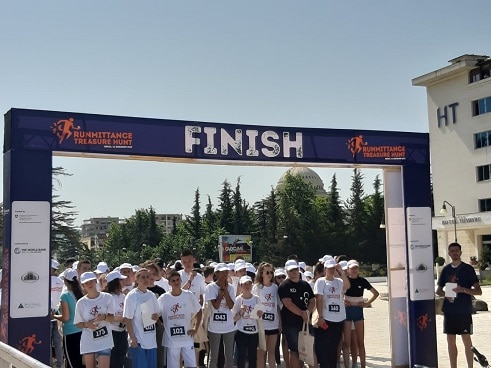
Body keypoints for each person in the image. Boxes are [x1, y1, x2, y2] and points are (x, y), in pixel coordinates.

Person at [436, 242, 482, 368]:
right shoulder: (446, 270)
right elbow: (438, 291)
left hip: (464, 310)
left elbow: (478, 291)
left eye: (457, 250)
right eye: (452, 251)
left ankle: (470, 366)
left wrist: (463, 290)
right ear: (449, 253)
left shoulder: (468, 269)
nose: (455, 253)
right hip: (449, 310)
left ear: (460, 252)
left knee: (466, 339)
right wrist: (446, 294)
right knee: (450, 340)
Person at [158, 270, 202, 368]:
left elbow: (199, 311)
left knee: (191, 365)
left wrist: (195, 328)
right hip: (171, 340)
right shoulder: (163, 298)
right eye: (173, 281)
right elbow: (155, 314)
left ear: (181, 280)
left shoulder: (188, 295)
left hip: (186, 337)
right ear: (169, 283)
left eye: (178, 280)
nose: (176, 282)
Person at [313, 258, 350, 368]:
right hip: (326, 318)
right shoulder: (321, 282)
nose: (331, 271)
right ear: (325, 269)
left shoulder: (339, 281)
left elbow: (347, 286)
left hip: (338, 318)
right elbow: (318, 299)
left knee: (334, 346)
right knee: (325, 346)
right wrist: (320, 316)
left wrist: (341, 272)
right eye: (329, 269)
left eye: (333, 268)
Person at [278, 260, 315, 368]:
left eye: (296, 269)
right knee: (294, 350)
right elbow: (288, 303)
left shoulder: (305, 284)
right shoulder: (284, 285)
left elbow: (312, 300)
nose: (294, 272)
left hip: (306, 321)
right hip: (291, 323)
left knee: (309, 349)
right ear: (287, 271)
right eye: (291, 270)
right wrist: (302, 313)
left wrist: (308, 312)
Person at [74, 272, 115, 368]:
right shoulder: (81, 303)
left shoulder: (107, 297)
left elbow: (112, 318)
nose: (89, 284)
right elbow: (78, 324)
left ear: (95, 281)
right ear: (83, 285)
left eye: (91, 281)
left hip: (104, 338)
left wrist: (104, 317)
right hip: (88, 339)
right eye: (86, 283)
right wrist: (87, 324)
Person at [342, 260, 379, 368]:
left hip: (358, 312)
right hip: (347, 313)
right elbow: (337, 294)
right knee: (346, 343)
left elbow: (376, 293)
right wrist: (343, 300)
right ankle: (347, 365)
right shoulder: (345, 281)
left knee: (360, 342)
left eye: (356, 268)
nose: (354, 270)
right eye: (352, 268)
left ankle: (362, 365)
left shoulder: (362, 281)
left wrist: (367, 303)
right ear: (348, 269)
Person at [123, 268, 160, 368]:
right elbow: (127, 318)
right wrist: (132, 338)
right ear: (137, 279)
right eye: (143, 277)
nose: (146, 279)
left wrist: (156, 316)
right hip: (138, 341)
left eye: (147, 277)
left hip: (151, 339)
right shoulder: (132, 296)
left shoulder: (151, 295)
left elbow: (157, 314)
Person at [204, 262, 236, 368]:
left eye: (226, 272)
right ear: (216, 274)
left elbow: (231, 306)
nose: (225, 275)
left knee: (229, 355)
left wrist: (226, 291)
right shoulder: (210, 287)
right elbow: (216, 306)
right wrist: (220, 293)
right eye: (222, 272)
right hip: (214, 327)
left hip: (229, 327)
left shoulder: (231, 288)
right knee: (214, 356)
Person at [54, 269, 84, 368]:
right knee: (81, 362)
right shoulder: (82, 294)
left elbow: (66, 317)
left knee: (72, 362)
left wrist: (53, 316)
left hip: (70, 332)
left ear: (65, 281)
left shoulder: (65, 296)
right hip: (82, 331)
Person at [253, 262, 280, 368]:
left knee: (271, 351)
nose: (269, 274)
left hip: (273, 323)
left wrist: (280, 322)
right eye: (267, 272)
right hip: (261, 324)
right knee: (261, 352)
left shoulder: (275, 287)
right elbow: (254, 305)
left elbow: (277, 306)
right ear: (261, 273)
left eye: (271, 272)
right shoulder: (257, 287)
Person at [232, 275, 263, 368]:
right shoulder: (238, 300)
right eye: (245, 284)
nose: (247, 286)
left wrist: (260, 314)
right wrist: (241, 312)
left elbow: (260, 317)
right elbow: (233, 318)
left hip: (254, 331)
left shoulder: (257, 299)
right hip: (241, 331)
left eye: (249, 284)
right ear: (241, 286)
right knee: (241, 356)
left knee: (252, 357)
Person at [103, 270, 128, 368]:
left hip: (122, 331)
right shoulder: (107, 297)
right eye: (120, 280)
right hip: (111, 332)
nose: (123, 282)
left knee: (120, 358)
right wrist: (121, 319)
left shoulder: (124, 296)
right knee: (113, 359)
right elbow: (106, 317)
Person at [51, 259, 65, 368]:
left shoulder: (45, 281)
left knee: (48, 341)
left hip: (49, 314)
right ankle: (60, 364)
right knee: (58, 342)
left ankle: (50, 363)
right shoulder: (61, 282)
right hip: (59, 314)